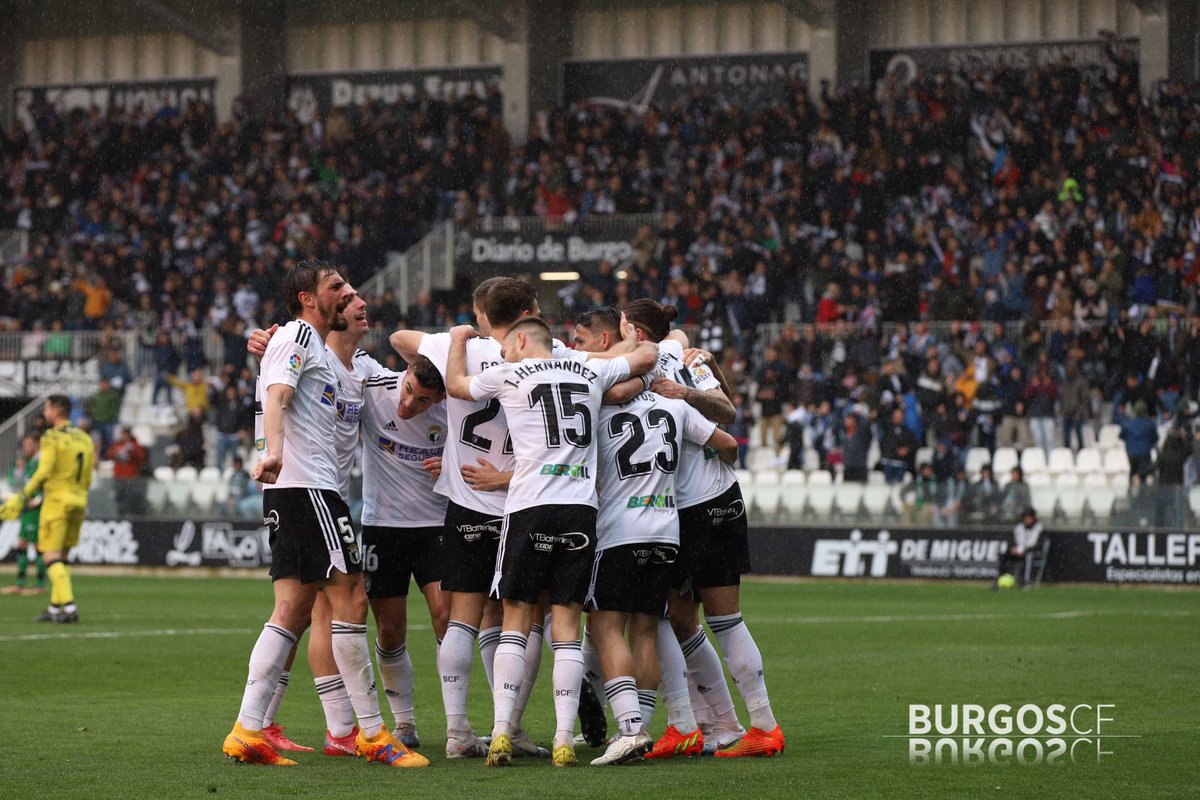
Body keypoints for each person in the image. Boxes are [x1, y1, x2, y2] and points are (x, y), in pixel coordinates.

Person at [389, 277, 634, 759]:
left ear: (484, 315)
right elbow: (621, 379)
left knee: (466, 619)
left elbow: (400, 341)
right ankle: (517, 726)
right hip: (530, 501)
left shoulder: (457, 348)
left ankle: (459, 730)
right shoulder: (557, 352)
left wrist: (457, 338)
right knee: (534, 619)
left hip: (470, 502)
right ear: (531, 313)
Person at [220, 260, 427, 768]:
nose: (350, 296)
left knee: (291, 609)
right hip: (309, 489)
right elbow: (278, 396)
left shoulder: (326, 356)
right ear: (308, 299)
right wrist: (269, 449)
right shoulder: (295, 338)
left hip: (301, 492)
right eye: (338, 288)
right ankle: (374, 735)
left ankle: (248, 728)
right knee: (350, 598)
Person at [442, 315, 657, 767]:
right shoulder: (589, 371)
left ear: (521, 340)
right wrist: (632, 337)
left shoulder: (508, 374)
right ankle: (562, 739)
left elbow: (458, 385)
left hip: (528, 506)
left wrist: (460, 339)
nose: (502, 353)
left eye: (506, 345)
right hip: (580, 509)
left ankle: (501, 731)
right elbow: (644, 359)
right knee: (566, 629)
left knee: (515, 621)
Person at [619, 299, 784, 759]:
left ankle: (748, 725)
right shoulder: (677, 351)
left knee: (698, 618)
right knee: (683, 617)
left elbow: (727, 415)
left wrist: (685, 392)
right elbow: (726, 408)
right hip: (711, 499)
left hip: (696, 507)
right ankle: (719, 723)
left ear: (631, 328)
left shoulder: (658, 365)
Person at [575, 307, 740, 765]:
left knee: (606, 627)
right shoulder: (671, 401)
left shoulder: (593, 402)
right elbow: (729, 442)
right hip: (668, 529)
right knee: (647, 629)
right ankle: (649, 727)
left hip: (618, 530)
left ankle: (631, 727)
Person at [358, 356, 449, 750]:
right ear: (406, 373)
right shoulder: (375, 389)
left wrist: (451, 466)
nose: (408, 404)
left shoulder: (456, 410)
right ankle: (405, 724)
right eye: (409, 389)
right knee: (390, 630)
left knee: (448, 621)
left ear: (440, 398)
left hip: (436, 529)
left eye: (423, 400)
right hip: (383, 528)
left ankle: (459, 726)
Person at [1, 396, 95, 622]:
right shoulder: (84, 437)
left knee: (50, 556)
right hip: (79, 500)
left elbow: (43, 472)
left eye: (46, 408)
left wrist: (23, 496)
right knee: (63, 557)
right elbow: (90, 472)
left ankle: (70, 609)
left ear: (54, 410)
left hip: (57, 502)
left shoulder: (51, 437)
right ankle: (55, 608)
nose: (45, 412)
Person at [1, 434, 46, 595]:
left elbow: (46, 484)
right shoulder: (28, 463)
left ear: (36, 444)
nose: (25, 447)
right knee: (21, 545)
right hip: (27, 509)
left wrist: (39, 499)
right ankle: (20, 583)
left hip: (36, 510)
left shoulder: (41, 462)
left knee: (38, 546)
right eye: (24, 444)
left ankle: (40, 585)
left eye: (28, 444)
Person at [997, 508, 1045, 588]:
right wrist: (1012, 549)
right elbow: (1011, 541)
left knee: (1028, 556)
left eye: (1029, 517)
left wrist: (1027, 549)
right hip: (1018, 550)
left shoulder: (1039, 528)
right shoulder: (1018, 528)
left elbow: (1040, 544)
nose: (1027, 519)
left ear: (1033, 517)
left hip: (1031, 551)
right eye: (1025, 517)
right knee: (1003, 555)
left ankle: (1025, 581)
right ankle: (1000, 578)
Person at [106, 427, 147, 516]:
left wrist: (131, 449)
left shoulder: (135, 445)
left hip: (132, 479)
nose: (122, 436)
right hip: (119, 479)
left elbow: (141, 457)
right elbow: (109, 454)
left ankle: (132, 518)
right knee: (120, 501)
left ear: (128, 434)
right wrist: (118, 452)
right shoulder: (117, 445)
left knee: (131, 501)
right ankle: (121, 517)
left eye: (123, 434)